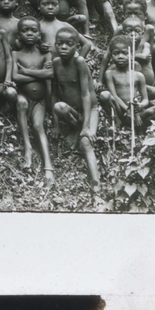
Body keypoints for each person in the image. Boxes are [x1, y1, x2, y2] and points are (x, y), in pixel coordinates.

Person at [50, 27, 100, 190]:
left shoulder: (79, 62)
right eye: (60, 44)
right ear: (55, 45)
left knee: (85, 142)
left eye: (69, 44)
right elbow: (54, 94)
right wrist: (56, 125)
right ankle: (75, 128)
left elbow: (86, 95)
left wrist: (86, 126)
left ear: (77, 47)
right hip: (72, 110)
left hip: (89, 110)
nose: (64, 47)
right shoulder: (56, 63)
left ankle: (96, 184)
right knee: (59, 107)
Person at [11, 16, 55, 180]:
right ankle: (27, 149)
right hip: (24, 96)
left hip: (40, 101)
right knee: (21, 102)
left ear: (39, 35)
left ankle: (48, 166)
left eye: (33, 30)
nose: (29, 33)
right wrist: (39, 75)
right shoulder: (16, 54)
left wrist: (26, 72)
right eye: (25, 30)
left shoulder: (45, 54)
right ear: (19, 35)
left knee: (38, 126)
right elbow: (15, 77)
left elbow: (50, 73)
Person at [101, 36, 155, 127]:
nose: (120, 56)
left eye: (125, 53)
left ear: (131, 55)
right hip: (121, 112)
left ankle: (147, 128)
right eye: (116, 53)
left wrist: (140, 106)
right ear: (111, 56)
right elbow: (114, 96)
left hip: (137, 114)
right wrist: (128, 110)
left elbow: (145, 100)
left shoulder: (138, 75)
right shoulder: (109, 74)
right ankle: (117, 122)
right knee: (104, 95)